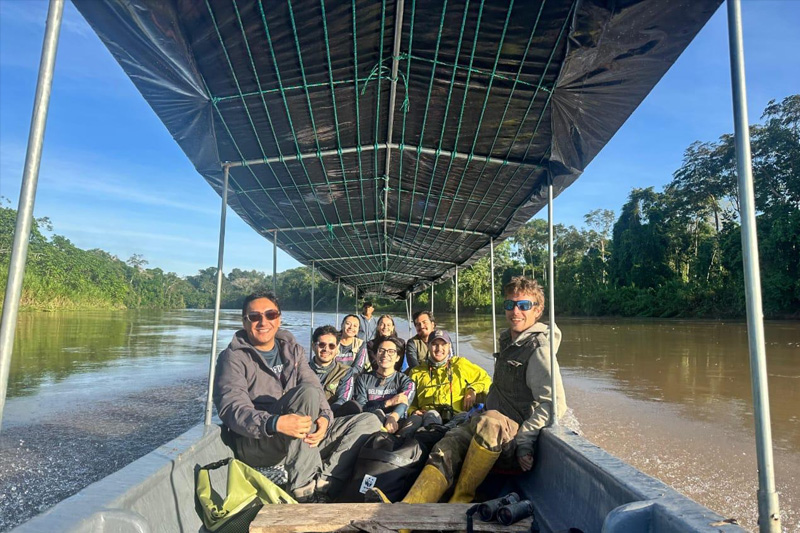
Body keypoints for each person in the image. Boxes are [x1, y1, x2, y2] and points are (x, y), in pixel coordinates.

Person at [373, 276, 566, 505]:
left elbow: (555, 404)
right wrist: (476, 398)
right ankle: (407, 511)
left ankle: (459, 504)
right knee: (446, 444)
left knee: (490, 420)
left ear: (538, 310)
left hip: (509, 435)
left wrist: (525, 439)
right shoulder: (509, 342)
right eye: (510, 304)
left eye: (524, 305)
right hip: (485, 423)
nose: (516, 311)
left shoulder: (538, 350)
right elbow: (501, 389)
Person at [213, 290, 381, 502]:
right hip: (260, 440)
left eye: (270, 315)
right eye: (254, 317)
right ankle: (304, 491)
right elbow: (231, 408)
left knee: (369, 421)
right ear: (245, 322)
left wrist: (325, 418)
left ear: (279, 318)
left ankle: (325, 481)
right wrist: (274, 423)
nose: (263, 322)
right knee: (306, 394)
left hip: (300, 435)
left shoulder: (292, 350)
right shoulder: (232, 358)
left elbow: (313, 385)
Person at [406, 329, 492, 427]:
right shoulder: (416, 372)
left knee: (465, 418)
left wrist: (473, 389)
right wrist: (413, 411)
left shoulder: (460, 364)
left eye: (443, 344)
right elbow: (409, 400)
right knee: (431, 415)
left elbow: (486, 379)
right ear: (428, 346)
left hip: (457, 418)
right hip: (429, 418)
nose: (439, 348)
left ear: (449, 346)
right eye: (435, 344)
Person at [350, 338, 415, 434]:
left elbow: (404, 402)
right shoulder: (363, 379)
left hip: (396, 425)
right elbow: (362, 408)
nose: (385, 355)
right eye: (381, 351)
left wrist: (392, 417)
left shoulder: (405, 381)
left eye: (391, 352)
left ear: (397, 357)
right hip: (369, 423)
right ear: (376, 355)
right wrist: (388, 403)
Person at [309, 325, 358, 417]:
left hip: (332, 417)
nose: (326, 349)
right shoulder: (301, 370)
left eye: (331, 346)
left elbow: (343, 400)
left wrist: (325, 416)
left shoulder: (345, 372)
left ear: (337, 348)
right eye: (321, 344)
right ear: (313, 346)